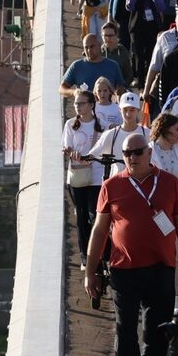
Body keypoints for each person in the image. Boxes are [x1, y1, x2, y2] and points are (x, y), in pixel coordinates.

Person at [83, 132, 178, 356]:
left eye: (137, 152)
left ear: (149, 153)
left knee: (157, 333)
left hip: (161, 269)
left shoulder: (170, 183)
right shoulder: (111, 185)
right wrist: (90, 271)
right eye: (127, 153)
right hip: (123, 270)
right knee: (125, 331)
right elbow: (99, 231)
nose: (132, 157)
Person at [62, 90, 103, 261]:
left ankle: (99, 255)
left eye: (81, 103)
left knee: (95, 215)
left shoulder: (101, 125)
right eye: (76, 103)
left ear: (91, 105)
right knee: (81, 216)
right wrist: (72, 153)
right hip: (78, 176)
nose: (77, 107)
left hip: (97, 176)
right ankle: (85, 256)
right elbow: (66, 147)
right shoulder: (71, 124)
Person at [61, 32, 125, 95]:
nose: (89, 50)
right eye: (86, 47)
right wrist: (74, 92)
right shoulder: (77, 66)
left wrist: (117, 93)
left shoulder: (113, 65)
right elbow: (62, 88)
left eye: (92, 46)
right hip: (84, 102)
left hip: (107, 102)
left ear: (99, 45)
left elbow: (121, 87)